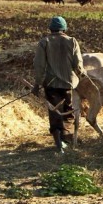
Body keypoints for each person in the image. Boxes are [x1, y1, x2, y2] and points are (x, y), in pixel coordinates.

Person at [32, 16, 85, 153]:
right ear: (64, 29)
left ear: (51, 29)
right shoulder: (72, 41)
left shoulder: (45, 42)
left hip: (51, 85)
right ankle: (66, 139)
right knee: (68, 111)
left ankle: (58, 143)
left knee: (55, 112)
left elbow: (39, 65)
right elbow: (78, 64)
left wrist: (37, 84)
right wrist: (82, 75)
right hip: (68, 84)